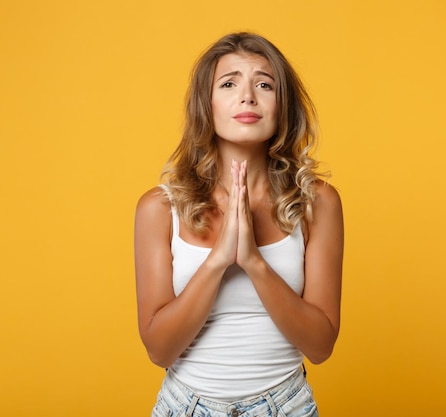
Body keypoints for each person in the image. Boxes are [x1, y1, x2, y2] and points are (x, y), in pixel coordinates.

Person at [134, 32, 344, 417]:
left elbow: (320, 347)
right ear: (206, 105)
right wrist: (218, 260)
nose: (247, 96)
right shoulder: (160, 208)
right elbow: (159, 350)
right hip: (185, 408)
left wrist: (253, 262)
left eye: (264, 84)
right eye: (229, 83)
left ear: (283, 107)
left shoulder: (318, 203)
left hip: (288, 406)